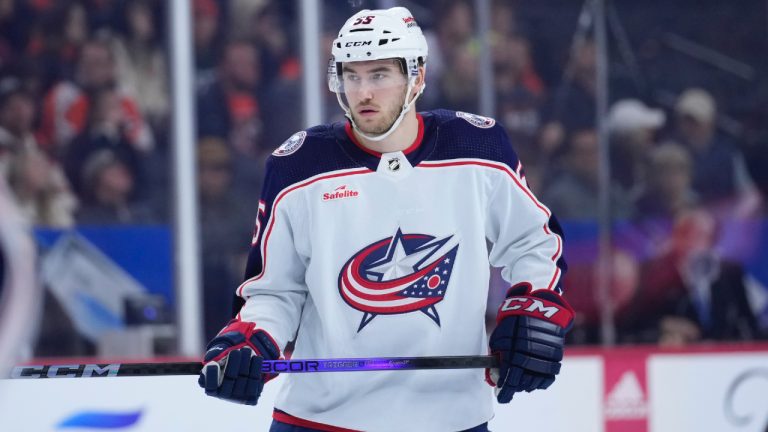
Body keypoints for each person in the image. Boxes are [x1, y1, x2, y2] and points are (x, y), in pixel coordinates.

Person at [198, 7, 572, 432]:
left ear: (417, 77)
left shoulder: (477, 146)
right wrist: (249, 340)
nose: (363, 93)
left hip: (452, 418)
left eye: (379, 75)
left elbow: (535, 242)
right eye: (351, 75)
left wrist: (533, 307)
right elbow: (275, 290)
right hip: (321, 419)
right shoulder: (298, 165)